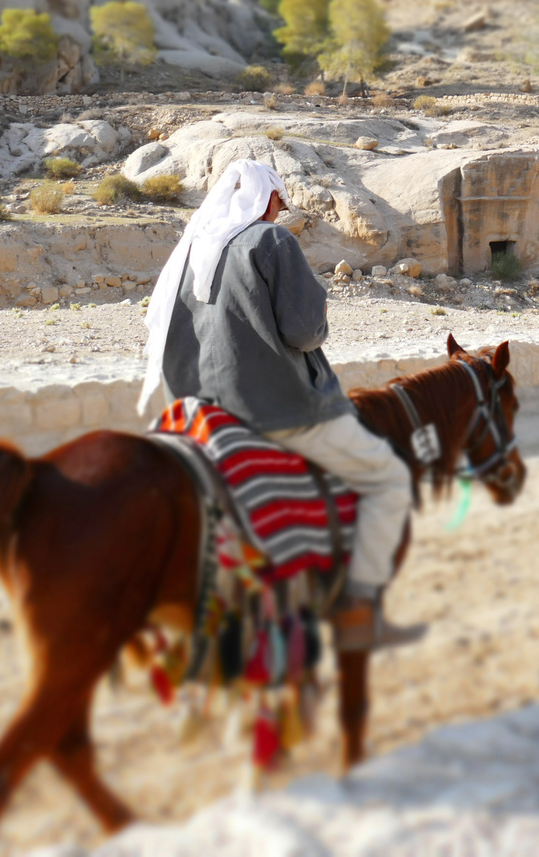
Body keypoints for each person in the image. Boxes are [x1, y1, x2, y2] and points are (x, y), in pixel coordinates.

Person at [138, 159, 416, 651]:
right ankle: (355, 613)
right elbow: (305, 332)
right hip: (267, 408)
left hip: (194, 411)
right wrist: (321, 314)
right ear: (267, 198)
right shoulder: (272, 241)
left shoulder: (187, 251)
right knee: (388, 479)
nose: (279, 211)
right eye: (280, 201)